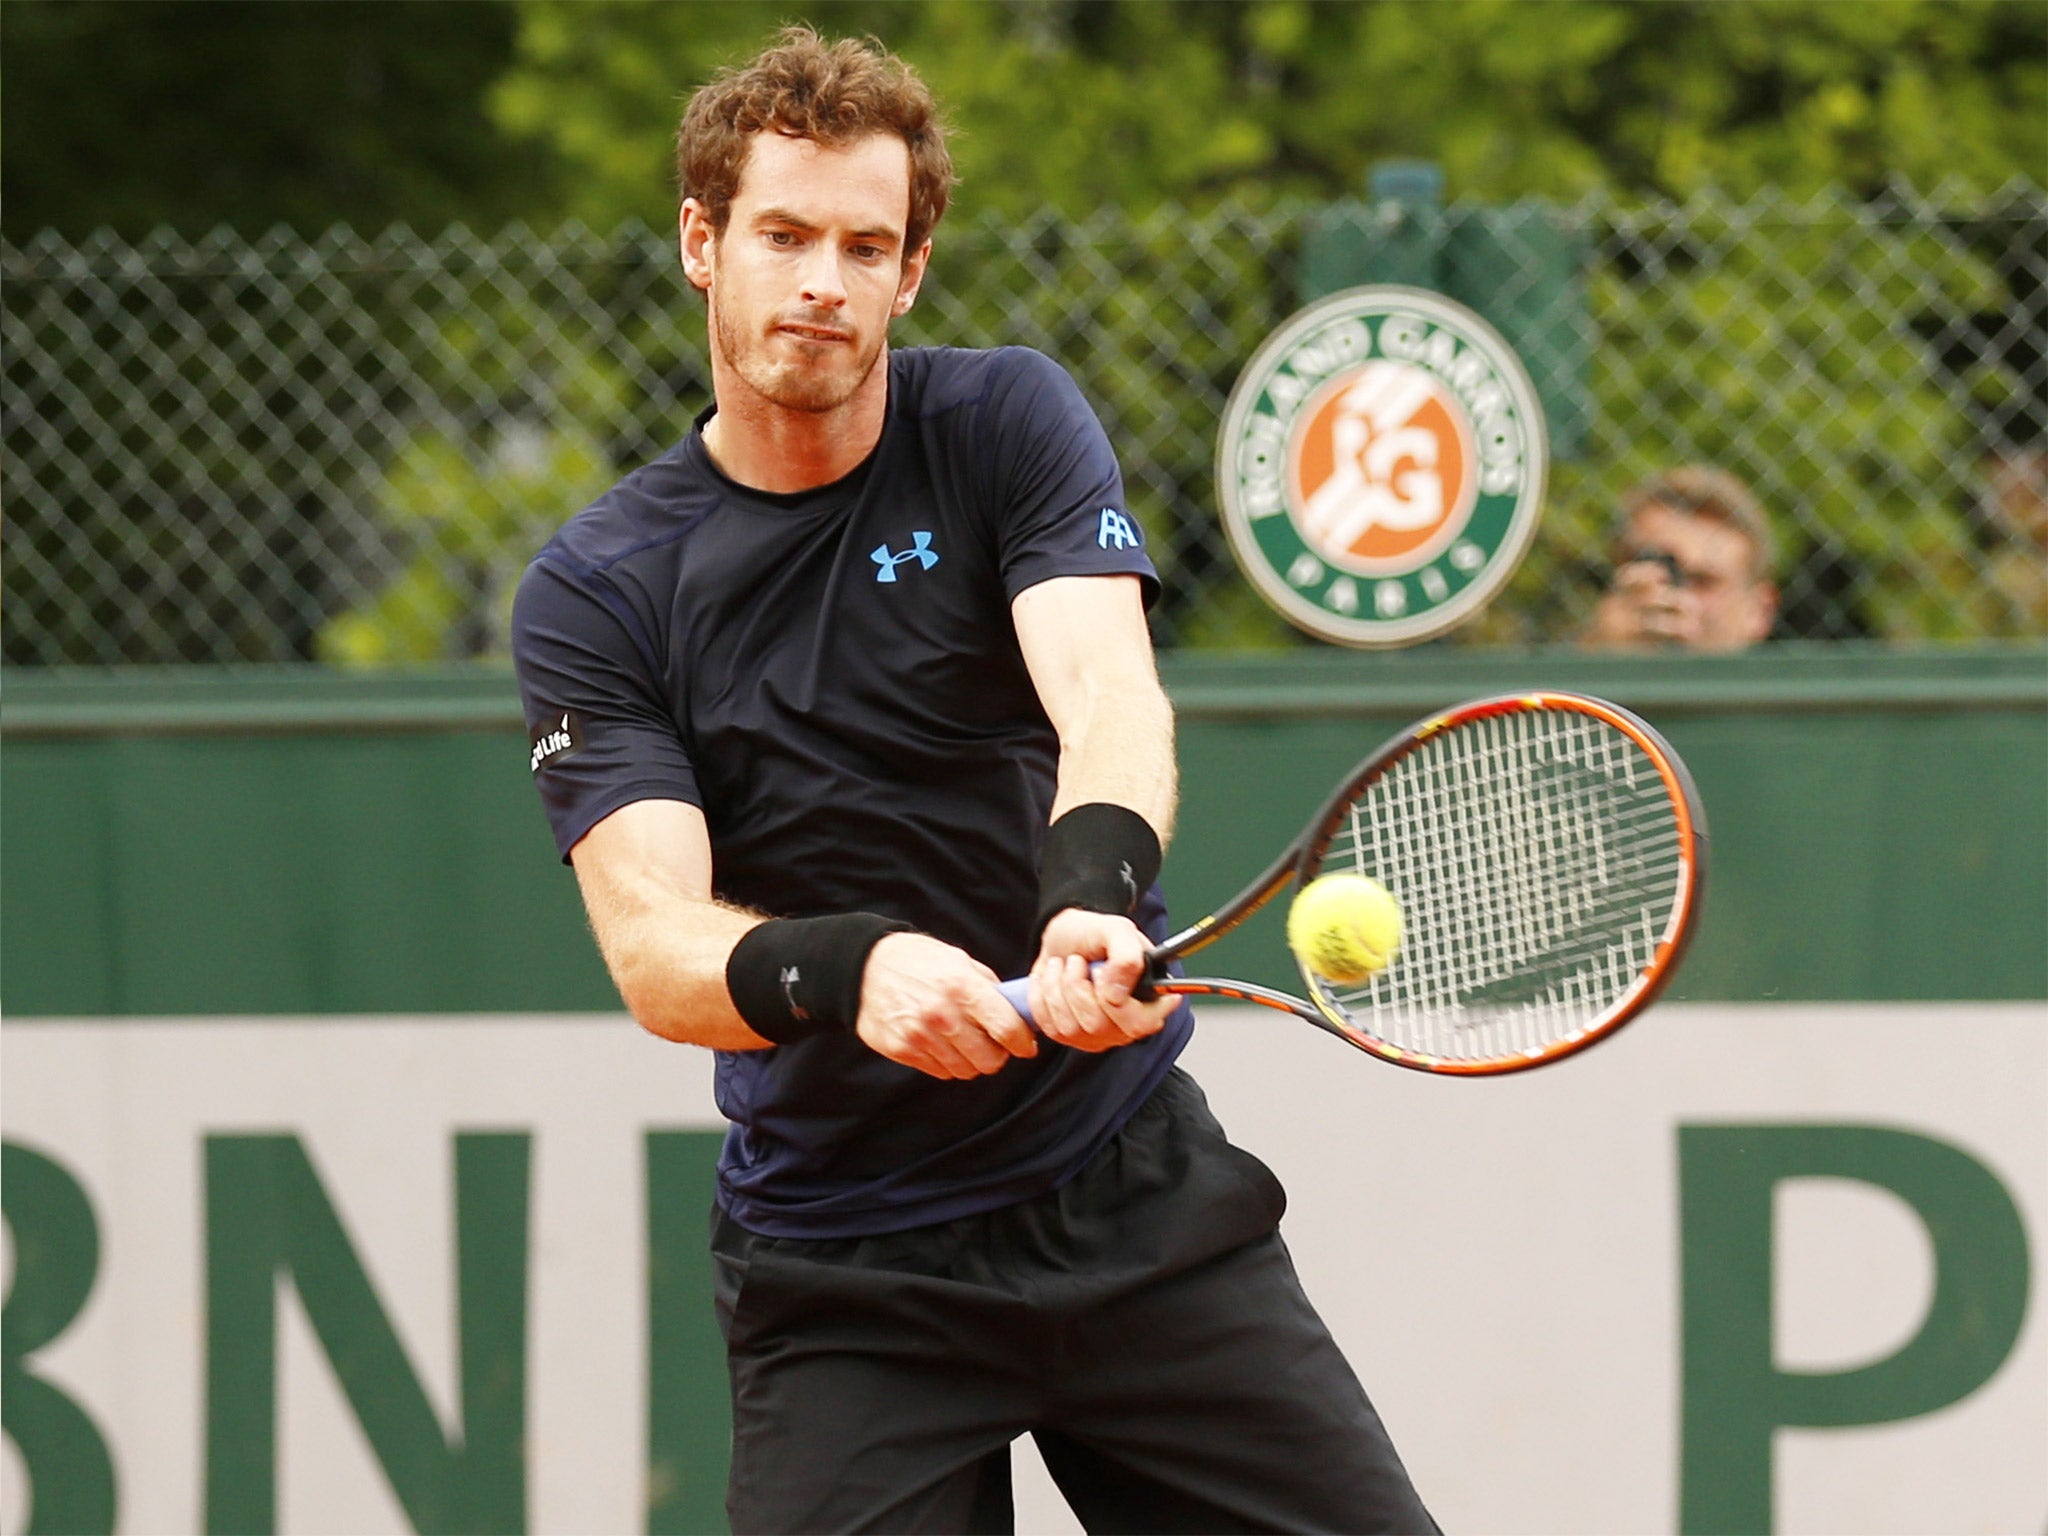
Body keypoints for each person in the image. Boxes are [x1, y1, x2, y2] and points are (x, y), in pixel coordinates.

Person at [511, 26, 1438, 1536]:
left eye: (864, 245)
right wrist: (852, 967)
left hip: (1129, 1199)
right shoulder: (601, 591)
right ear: (704, 242)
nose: (822, 278)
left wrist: (1090, 897)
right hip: (849, 1271)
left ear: (911, 270)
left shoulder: (1004, 422)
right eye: (784, 235)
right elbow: (654, 943)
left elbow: (1106, 694)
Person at [1581, 464, 1780, 651]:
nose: (1672, 598)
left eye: (1702, 581)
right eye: (1652, 570)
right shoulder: (1566, 678)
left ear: (1760, 611)